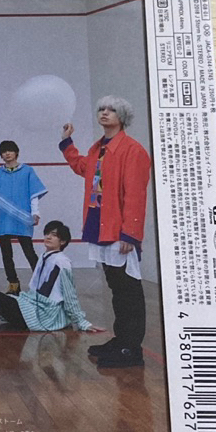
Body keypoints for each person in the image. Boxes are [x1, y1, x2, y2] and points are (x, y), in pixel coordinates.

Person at [60, 96, 152, 368]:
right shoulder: (98, 148)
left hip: (119, 232)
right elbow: (83, 168)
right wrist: (67, 143)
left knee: (128, 291)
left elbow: (135, 194)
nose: (105, 113)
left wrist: (130, 233)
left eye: (111, 110)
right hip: (100, 227)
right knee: (116, 288)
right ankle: (121, 340)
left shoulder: (133, 150)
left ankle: (131, 349)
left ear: (122, 117)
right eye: (102, 109)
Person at [0, 140, 46, 295]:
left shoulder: (27, 171)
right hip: (3, 218)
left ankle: (41, 283)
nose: (7, 154)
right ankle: (13, 283)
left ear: (16, 152)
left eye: (10, 150)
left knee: (29, 252)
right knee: (6, 254)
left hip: (22, 218)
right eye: (4, 151)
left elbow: (34, 194)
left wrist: (35, 213)